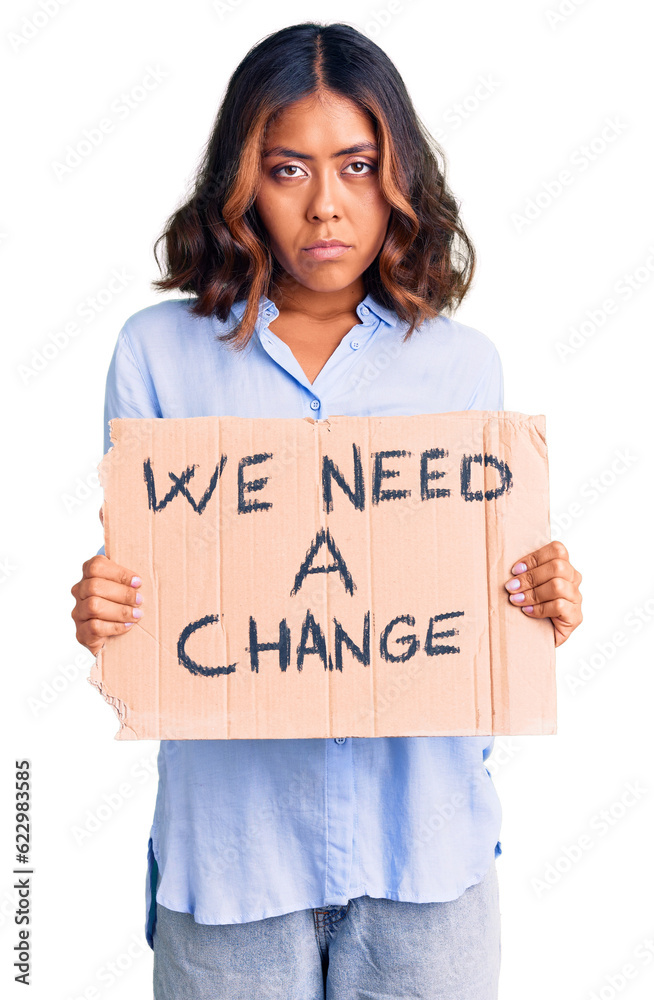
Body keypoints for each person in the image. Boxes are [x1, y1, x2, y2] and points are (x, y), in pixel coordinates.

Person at [70, 21, 583, 1000]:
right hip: (232, 861)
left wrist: (542, 597)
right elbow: (153, 611)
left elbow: (474, 609)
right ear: (241, 184)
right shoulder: (156, 355)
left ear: (398, 178)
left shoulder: (463, 366)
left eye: (356, 165)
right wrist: (105, 611)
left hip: (425, 855)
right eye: (288, 170)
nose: (326, 206)